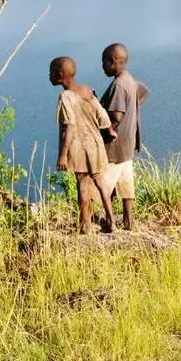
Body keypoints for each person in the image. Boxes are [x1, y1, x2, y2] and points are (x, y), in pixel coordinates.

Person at [49, 56, 118, 235]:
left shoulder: (65, 96)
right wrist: (109, 132)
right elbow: (103, 119)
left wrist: (63, 154)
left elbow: (70, 125)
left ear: (59, 75)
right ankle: (111, 221)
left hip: (79, 147)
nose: (48, 75)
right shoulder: (87, 91)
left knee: (82, 183)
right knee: (100, 181)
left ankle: (85, 225)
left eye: (50, 72)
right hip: (95, 144)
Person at [100, 43, 149, 231]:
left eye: (104, 62)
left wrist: (107, 131)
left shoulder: (119, 85)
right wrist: (132, 108)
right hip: (128, 143)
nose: (102, 66)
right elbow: (143, 92)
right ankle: (128, 220)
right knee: (126, 182)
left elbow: (117, 117)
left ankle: (109, 221)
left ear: (113, 62)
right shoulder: (129, 79)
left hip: (115, 145)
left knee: (105, 185)